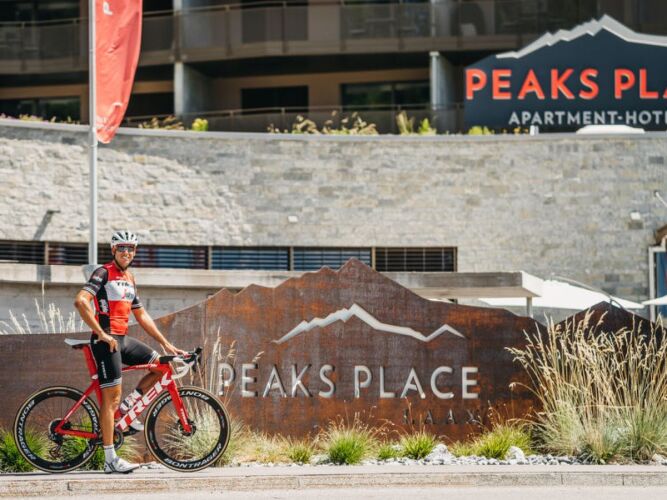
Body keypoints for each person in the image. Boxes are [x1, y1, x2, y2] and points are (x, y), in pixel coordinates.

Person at [74, 230, 185, 474]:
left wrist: (166, 343)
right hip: (106, 341)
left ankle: (125, 411)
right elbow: (81, 301)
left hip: (122, 339)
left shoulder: (130, 278)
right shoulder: (103, 272)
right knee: (110, 399)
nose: (127, 252)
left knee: (161, 366)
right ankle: (110, 459)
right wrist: (100, 333)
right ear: (113, 250)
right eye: (122, 248)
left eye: (131, 248)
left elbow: (141, 315)